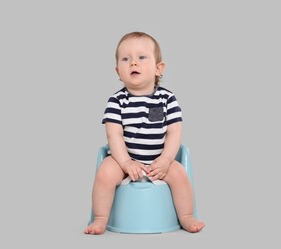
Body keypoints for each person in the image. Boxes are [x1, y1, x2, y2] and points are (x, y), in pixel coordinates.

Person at [84, 31, 205, 235]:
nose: (133, 63)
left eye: (142, 57)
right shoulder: (116, 101)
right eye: (126, 59)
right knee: (105, 172)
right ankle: (101, 218)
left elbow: (174, 132)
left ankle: (186, 216)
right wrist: (125, 163)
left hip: (159, 161)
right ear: (117, 71)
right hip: (124, 160)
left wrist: (166, 160)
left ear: (159, 68)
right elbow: (114, 135)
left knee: (180, 175)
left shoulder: (167, 99)